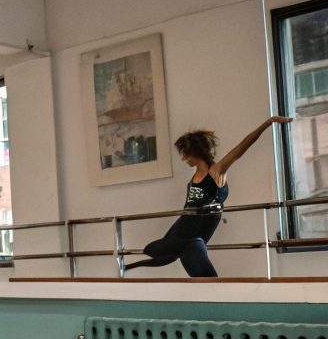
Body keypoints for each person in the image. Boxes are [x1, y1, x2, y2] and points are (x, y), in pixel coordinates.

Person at [124, 117, 292, 277]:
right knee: (154, 250)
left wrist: (268, 122)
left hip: (196, 237)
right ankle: (126, 267)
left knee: (204, 277)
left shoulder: (216, 172)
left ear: (196, 151)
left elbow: (242, 147)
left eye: (186, 154)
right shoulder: (195, 174)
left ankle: (132, 265)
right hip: (181, 228)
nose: (184, 158)